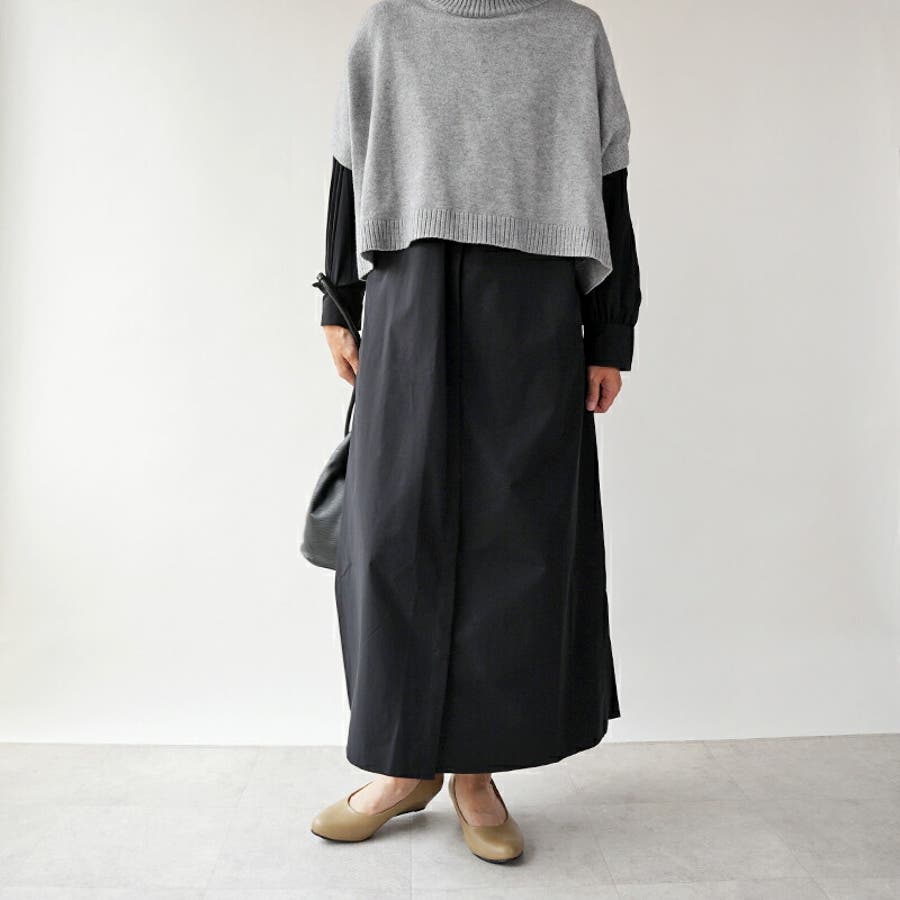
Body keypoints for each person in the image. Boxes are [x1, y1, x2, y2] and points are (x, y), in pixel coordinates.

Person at [309, 0, 642, 864]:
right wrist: (338, 301)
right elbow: (350, 161)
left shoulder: (572, 34)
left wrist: (609, 331)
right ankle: (402, 766)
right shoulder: (390, 27)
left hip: (532, 300)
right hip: (409, 290)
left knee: (513, 534)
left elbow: (608, 179)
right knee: (391, 533)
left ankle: (475, 773)